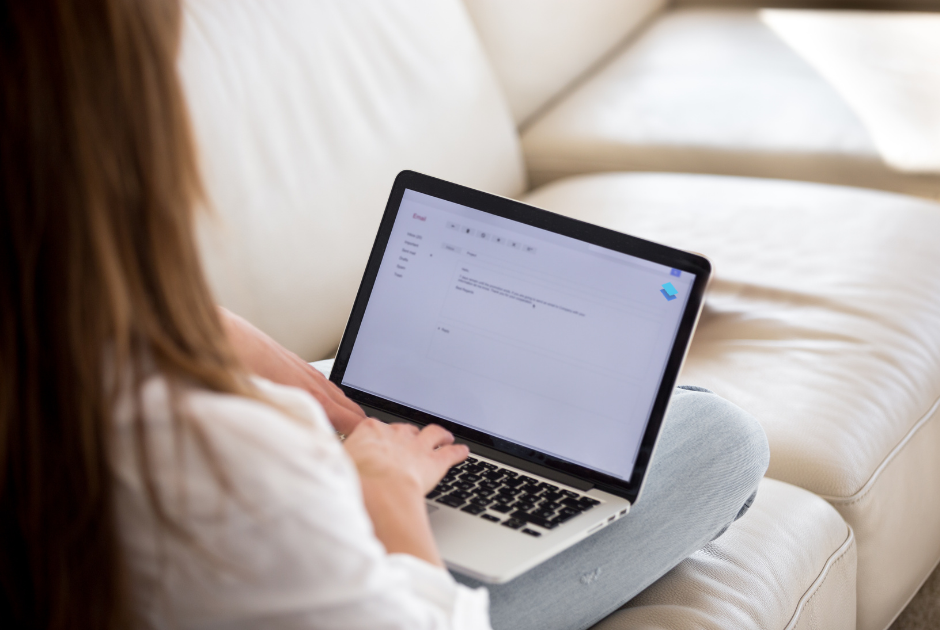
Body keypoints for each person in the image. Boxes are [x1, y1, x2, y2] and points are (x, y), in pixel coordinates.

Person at [0, 1, 769, 629]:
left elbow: (76, 285)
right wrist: (389, 492)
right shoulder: (218, 454)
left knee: (406, 412)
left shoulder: (60, 335)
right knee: (716, 434)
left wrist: (214, 335)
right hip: (354, 561)